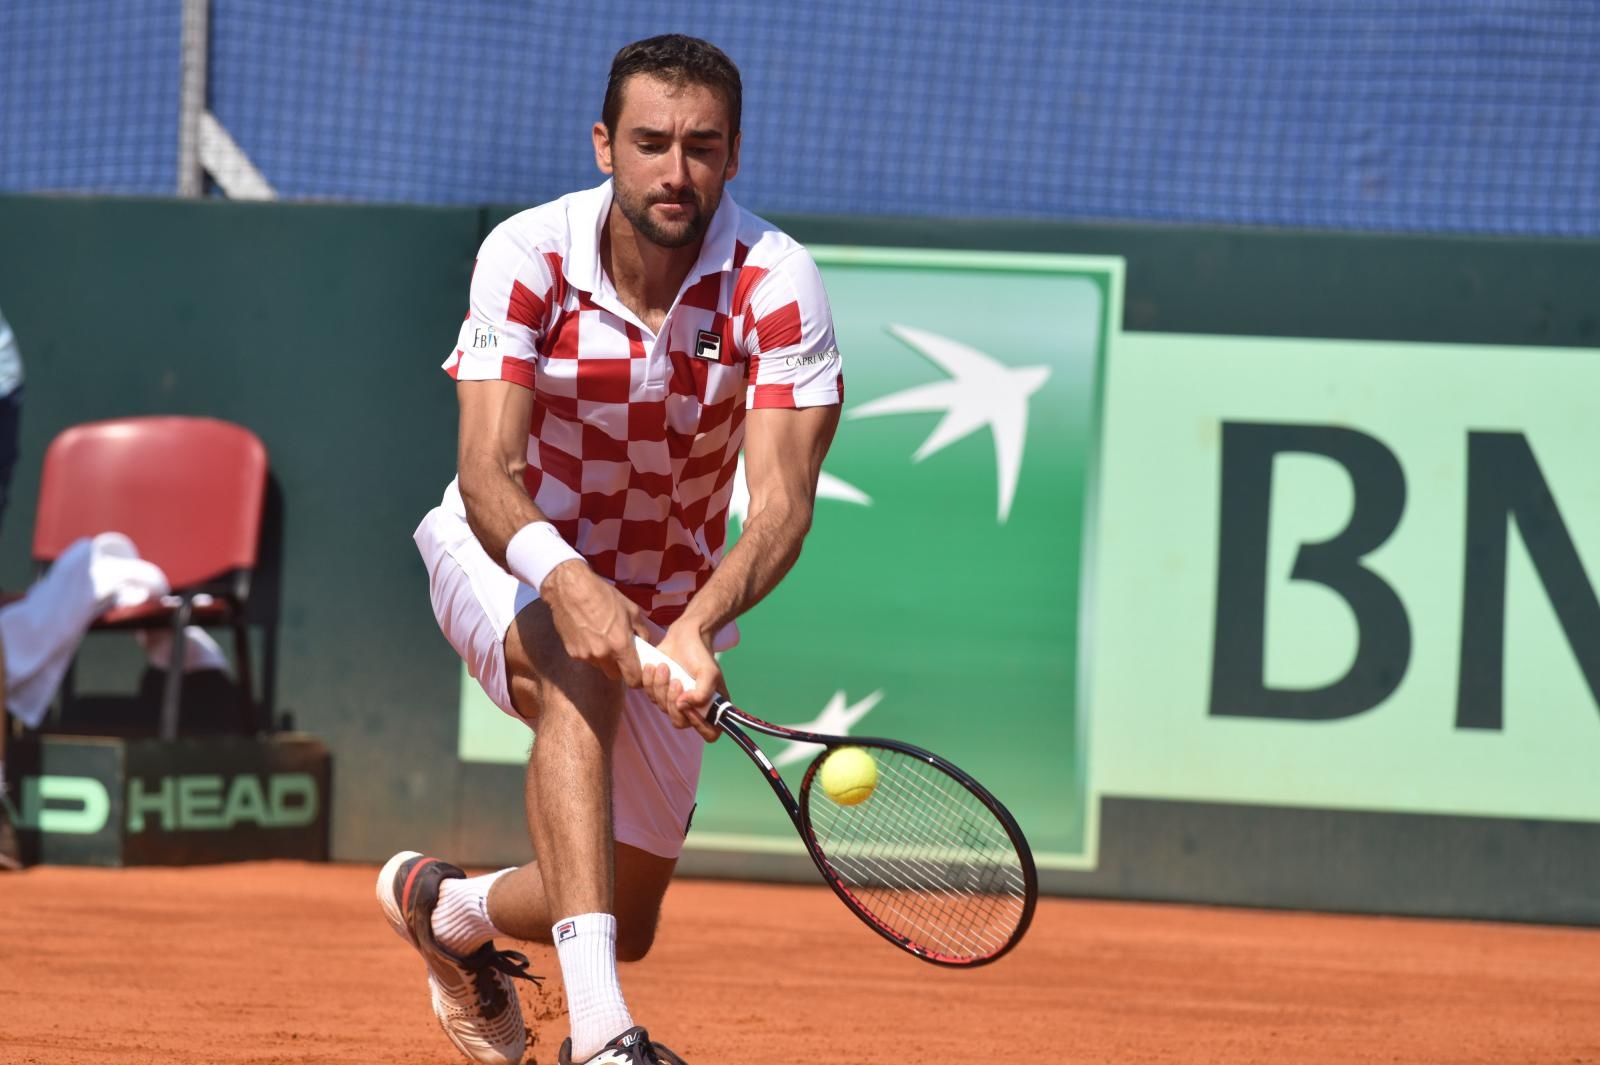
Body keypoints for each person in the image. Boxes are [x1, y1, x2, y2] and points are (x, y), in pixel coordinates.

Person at [379, 33, 843, 1065]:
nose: (674, 172)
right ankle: (602, 1038)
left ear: (732, 155)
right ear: (604, 146)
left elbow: (781, 505)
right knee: (568, 670)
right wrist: (567, 578)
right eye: (650, 142)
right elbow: (489, 471)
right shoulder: (526, 255)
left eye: (700, 147)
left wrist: (696, 622)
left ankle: (445, 913)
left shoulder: (777, 282)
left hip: (667, 592)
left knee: (619, 913)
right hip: (504, 551)